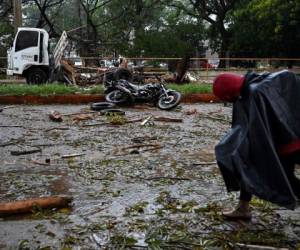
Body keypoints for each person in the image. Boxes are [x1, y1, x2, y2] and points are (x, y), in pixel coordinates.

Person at [213, 70, 300, 220]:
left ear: (230, 93)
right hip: (292, 134)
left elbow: (255, 132)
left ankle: (243, 208)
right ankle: (243, 207)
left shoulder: (253, 95)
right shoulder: (258, 81)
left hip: (289, 144)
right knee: (248, 163)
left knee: (286, 180)